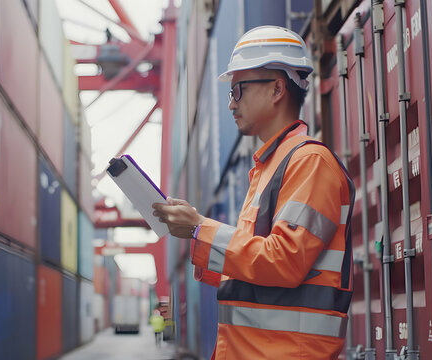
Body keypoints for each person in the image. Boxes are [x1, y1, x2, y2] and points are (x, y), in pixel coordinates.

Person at [152, 25, 355, 360]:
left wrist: (201, 229)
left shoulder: (310, 162)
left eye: (238, 91)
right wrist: (195, 236)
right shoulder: (268, 168)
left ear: (277, 89)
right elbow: (255, 270)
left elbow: (283, 262)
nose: (231, 104)